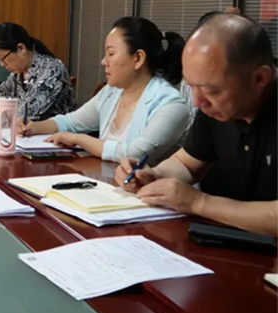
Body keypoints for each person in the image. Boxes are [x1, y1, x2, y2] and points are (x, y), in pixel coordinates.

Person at [116, 14, 277, 235]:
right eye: (192, 86)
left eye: (211, 90)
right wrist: (154, 175)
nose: (197, 102)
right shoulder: (215, 108)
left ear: (260, 79)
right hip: (217, 239)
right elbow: (187, 163)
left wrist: (198, 203)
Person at [19, 17, 190, 165]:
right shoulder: (112, 92)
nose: (103, 61)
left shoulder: (171, 104)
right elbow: (71, 122)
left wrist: (78, 139)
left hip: (143, 190)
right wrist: (34, 127)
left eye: (111, 54)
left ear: (138, 58)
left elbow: (134, 154)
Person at [0, 23, 76, 120]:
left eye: (2, 58)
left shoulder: (52, 69)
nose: (2, 64)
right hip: (25, 132)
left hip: (55, 134)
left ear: (21, 49)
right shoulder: (18, 72)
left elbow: (28, 111)